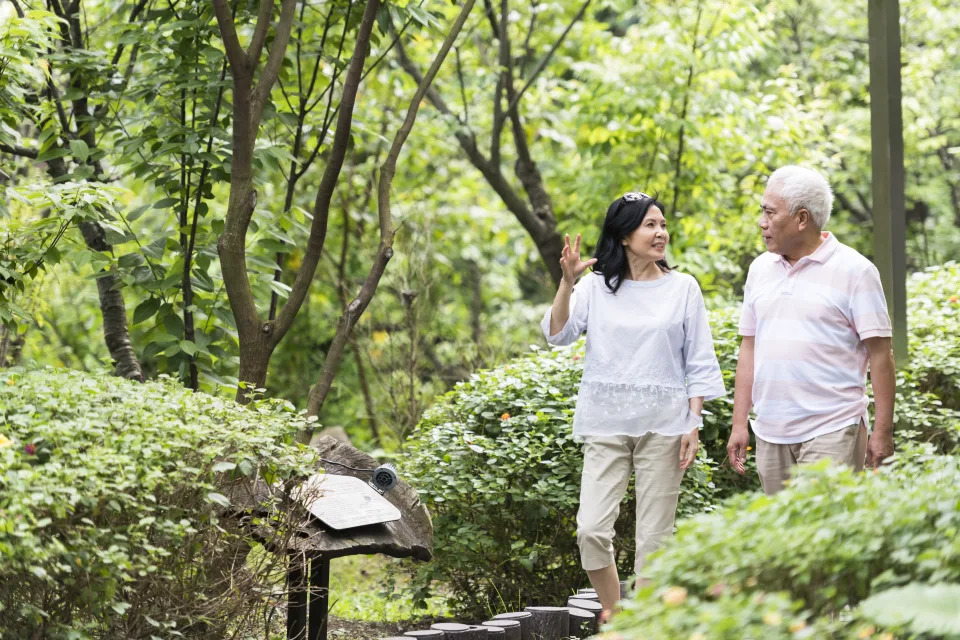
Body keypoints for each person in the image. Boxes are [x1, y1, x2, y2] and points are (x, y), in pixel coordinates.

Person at [541, 192, 725, 622]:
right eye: (650, 225)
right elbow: (558, 334)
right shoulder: (595, 287)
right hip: (605, 425)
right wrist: (567, 282)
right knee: (590, 529)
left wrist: (693, 423)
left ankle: (646, 628)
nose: (661, 233)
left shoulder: (683, 288)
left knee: (654, 541)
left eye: (662, 225)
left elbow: (698, 362)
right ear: (624, 235)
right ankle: (616, 615)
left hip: (665, 427)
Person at [726, 166, 896, 496]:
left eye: (769, 212)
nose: (761, 221)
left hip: (833, 428)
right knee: (784, 542)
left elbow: (881, 354)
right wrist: (738, 423)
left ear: (802, 218)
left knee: (824, 537)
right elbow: (750, 347)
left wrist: (882, 431)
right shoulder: (760, 269)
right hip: (770, 430)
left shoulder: (856, 271)